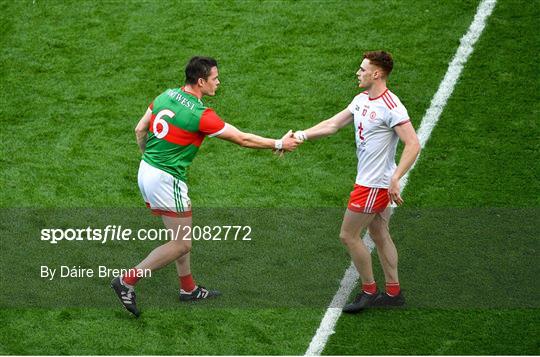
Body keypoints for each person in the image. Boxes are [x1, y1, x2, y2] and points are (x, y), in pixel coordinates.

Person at [111, 56, 301, 317]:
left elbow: (139, 129)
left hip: (146, 170)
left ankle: (188, 288)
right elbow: (242, 139)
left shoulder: (166, 95)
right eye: (215, 78)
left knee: (180, 232)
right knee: (181, 244)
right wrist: (279, 144)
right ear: (201, 82)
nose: (218, 82)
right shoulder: (200, 115)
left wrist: (150, 159)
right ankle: (127, 281)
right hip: (166, 179)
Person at [292, 51, 420, 313]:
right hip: (373, 182)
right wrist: (301, 136)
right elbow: (332, 125)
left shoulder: (391, 106)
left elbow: (413, 144)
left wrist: (396, 178)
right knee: (379, 232)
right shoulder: (361, 99)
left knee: (348, 235)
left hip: (373, 185)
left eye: (362, 69)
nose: (357, 73)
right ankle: (393, 292)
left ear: (377, 74)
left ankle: (369, 291)